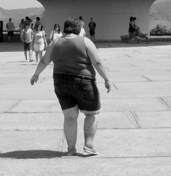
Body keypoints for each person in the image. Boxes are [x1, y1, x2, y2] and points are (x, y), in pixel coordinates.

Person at [30, 18, 112, 157]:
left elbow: (44, 60)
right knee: (92, 113)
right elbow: (97, 62)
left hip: (60, 81)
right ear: (79, 29)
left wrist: (36, 74)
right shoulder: (85, 42)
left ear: (64, 29)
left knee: (70, 116)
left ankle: (71, 149)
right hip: (83, 81)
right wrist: (106, 78)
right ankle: (89, 145)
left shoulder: (55, 42)